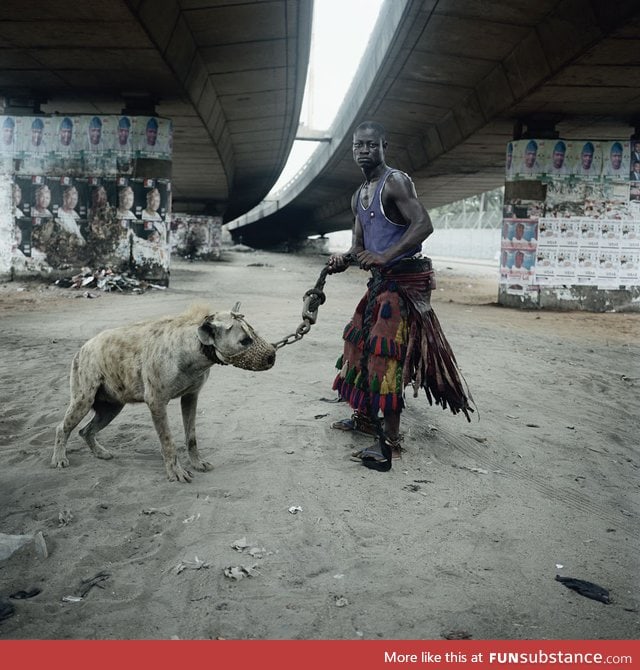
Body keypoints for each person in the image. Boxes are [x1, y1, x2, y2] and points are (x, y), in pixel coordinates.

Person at [327, 121, 473, 471]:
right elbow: (359, 247)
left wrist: (385, 256)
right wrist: (342, 261)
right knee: (358, 343)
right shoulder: (358, 194)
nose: (363, 151)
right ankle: (364, 418)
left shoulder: (396, 182)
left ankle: (390, 439)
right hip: (381, 282)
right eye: (357, 146)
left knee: (385, 357)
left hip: (403, 284)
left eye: (370, 145)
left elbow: (423, 224)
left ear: (383, 146)